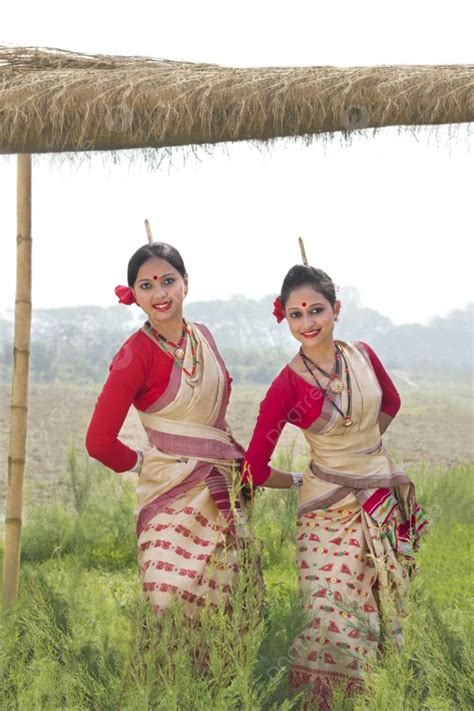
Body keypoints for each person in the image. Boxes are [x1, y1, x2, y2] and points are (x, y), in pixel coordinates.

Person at [242, 263, 427, 709]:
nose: (307, 323)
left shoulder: (362, 354)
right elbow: (254, 466)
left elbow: (393, 400)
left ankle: (378, 698)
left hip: (377, 499)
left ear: (336, 309)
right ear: (284, 318)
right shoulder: (287, 386)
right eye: (295, 314)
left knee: (381, 606)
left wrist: (360, 452)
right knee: (330, 615)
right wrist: (304, 478)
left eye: (316, 310)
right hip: (326, 514)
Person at [86, 241, 268, 618]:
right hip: (171, 492)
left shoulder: (203, 336)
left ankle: (235, 677)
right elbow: (99, 442)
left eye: (167, 280)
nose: (159, 294)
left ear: (186, 282)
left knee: (231, 603)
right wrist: (144, 462)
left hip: (221, 487)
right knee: (172, 605)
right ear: (133, 295)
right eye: (146, 286)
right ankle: (169, 679)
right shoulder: (133, 355)